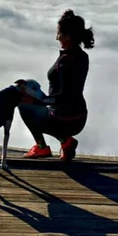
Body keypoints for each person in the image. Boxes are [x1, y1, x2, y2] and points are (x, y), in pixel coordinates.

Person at [18, 10, 95, 162]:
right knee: (38, 105)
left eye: (59, 34)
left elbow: (63, 97)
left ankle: (41, 147)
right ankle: (66, 142)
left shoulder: (65, 61)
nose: (57, 37)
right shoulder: (82, 56)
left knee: (23, 104)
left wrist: (37, 101)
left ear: (67, 37)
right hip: (80, 116)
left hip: (64, 118)